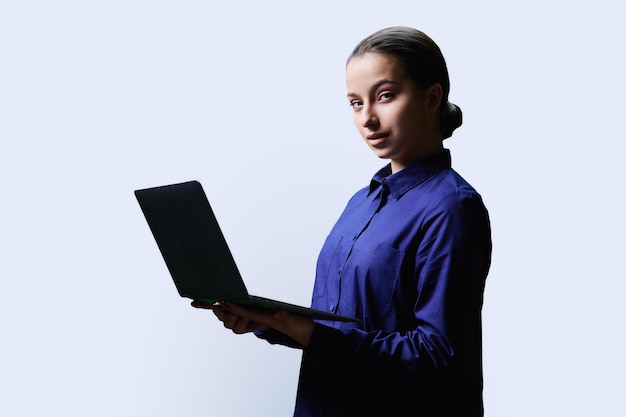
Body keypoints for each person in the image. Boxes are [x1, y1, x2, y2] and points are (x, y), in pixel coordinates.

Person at [192, 26, 492, 417]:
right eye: (355, 103)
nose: (368, 118)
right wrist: (265, 321)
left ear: (432, 97)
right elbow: (346, 327)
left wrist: (313, 335)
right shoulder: (361, 202)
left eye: (385, 96)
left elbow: (438, 357)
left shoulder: (452, 209)